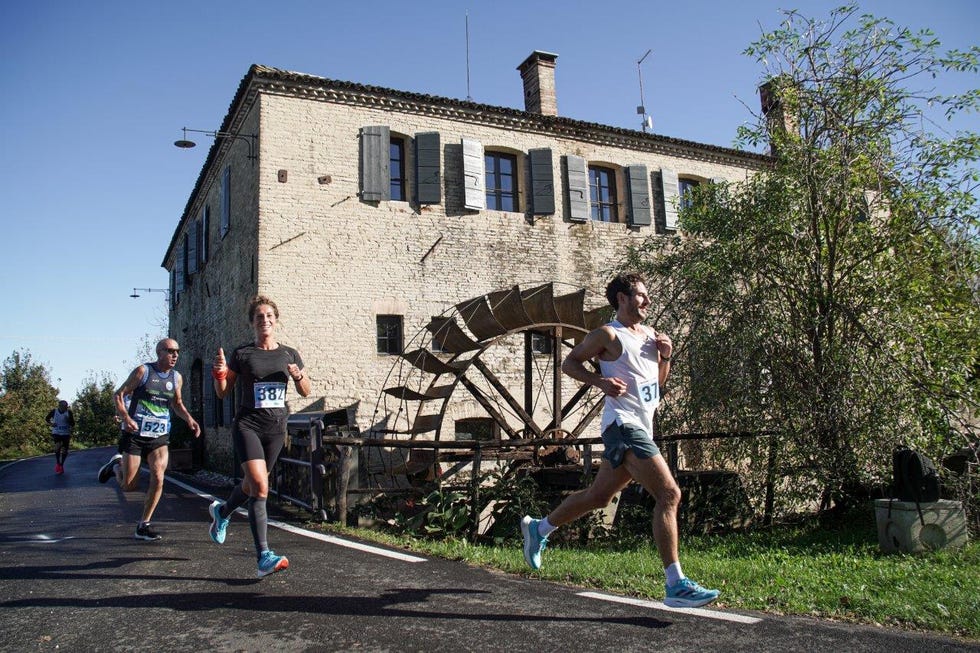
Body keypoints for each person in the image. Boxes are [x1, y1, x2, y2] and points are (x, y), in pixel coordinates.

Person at [520, 272, 720, 608]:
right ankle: (676, 584)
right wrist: (601, 383)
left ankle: (539, 529)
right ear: (622, 299)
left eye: (647, 295)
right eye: (641, 295)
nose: (648, 301)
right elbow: (570, 363)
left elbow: (655, 387)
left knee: (599, 497)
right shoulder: (607, 334)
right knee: (670, 493)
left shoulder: (650, 337)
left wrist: (666, 357)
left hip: (643, 423)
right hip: (623, 426)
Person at [208, 295, 310, 578]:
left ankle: (223, 512)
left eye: (269, 316)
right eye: (259, 317)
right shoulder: (242, 354)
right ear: (252, 323)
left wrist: (298, 376)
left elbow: (306, 392)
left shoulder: (289, 354)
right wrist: (219, 375)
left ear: (275, 320)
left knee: (253, 485)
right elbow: (223, 392)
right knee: (260, 487)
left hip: (276, 430)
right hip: (248, 425)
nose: (264, 320)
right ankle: (264, 556)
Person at [97, 338, 201, 541]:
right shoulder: (143, 372)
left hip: (159, 436)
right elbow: (119, 395)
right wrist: (126, 418)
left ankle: (143, 525)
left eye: (177, 351)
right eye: (170, 351)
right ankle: (116, 465)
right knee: (129, 486)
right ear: (159, 352)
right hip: (135, 435)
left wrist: (189, 419)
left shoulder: (177, 377)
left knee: (159, 476)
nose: (175, 355)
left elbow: (177, 403)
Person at [45, 400, 75, 475]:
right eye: (64, 406)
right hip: (56, 432)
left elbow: (73, 423)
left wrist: (69, 421)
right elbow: (47, 418)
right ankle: (58, 463)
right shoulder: (54, 411)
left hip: (66, 433)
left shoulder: (69, 412)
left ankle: (61, 465)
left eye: (66, 406)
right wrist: (51, 424)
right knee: (57, 447)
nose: (65, 408)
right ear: (60, 406)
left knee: (64, 450)